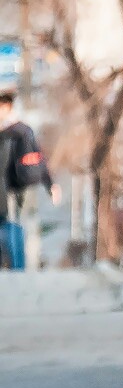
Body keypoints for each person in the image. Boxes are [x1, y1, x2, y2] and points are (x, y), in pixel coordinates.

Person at [0, 91, 55, 270]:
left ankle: (18, 266)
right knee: (17, 224)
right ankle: (19, 266)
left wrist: (50, 184)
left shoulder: (12, 133)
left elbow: (36, 157)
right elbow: (39, 157)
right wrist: (49, 184)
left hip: (13, 186)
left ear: (6, 107)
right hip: (19, 185)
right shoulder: (25, 130)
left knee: (14, 224)